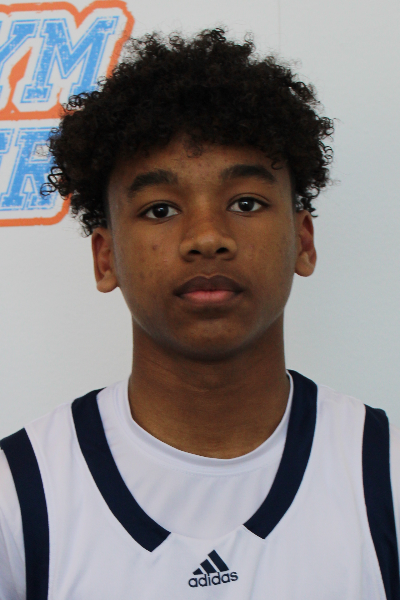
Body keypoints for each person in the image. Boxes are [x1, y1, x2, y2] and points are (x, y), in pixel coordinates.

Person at [0, 28, 399, 600]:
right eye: (160, 209)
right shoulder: (18, 495)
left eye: (246, 202)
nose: (207, 237)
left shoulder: (385, 473)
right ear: (106, 258)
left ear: (304, 241)